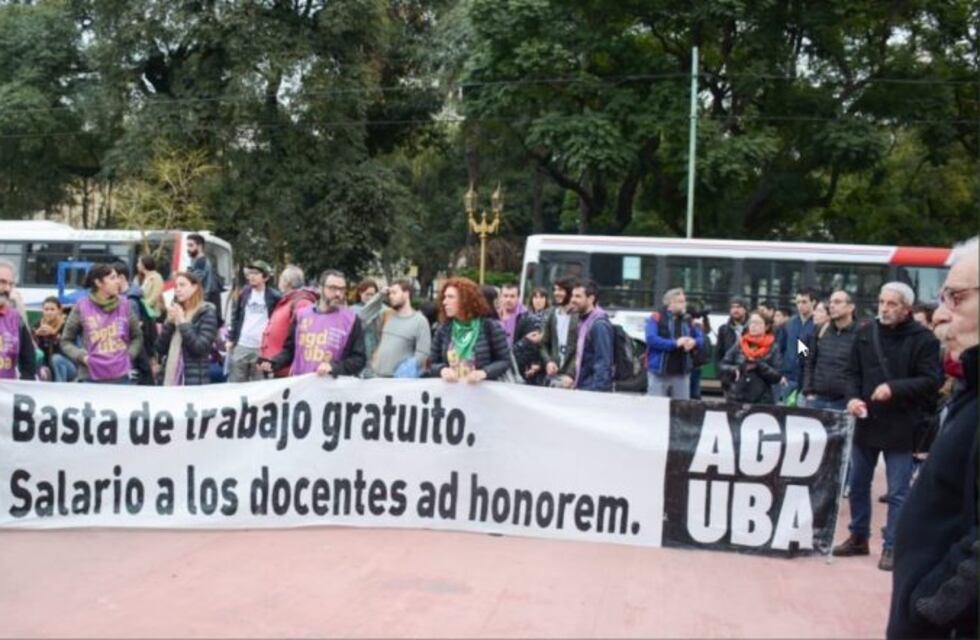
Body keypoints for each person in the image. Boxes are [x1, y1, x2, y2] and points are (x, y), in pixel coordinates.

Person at [888, 237, 978, 639]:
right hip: (858, 414)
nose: (940, 315)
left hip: (898, 423)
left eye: (955, 298)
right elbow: (811, 359)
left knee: (893, 486)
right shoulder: (821, 336)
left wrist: (929, 605)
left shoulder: (922, 343)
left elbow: (926, 381)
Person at [833, 282, 943, 571]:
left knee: (897, 492)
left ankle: (892, 546)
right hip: (866, 421)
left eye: (892, 304)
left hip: (902, 426)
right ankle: (858, 536)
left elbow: (932, 382)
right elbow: (850, 372)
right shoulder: (860, 332)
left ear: (907, 308)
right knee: (857, 484)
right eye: (882, 302)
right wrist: (852, 397)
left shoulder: (924, 339)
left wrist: (894, 388)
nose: (884, 308)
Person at [264, 270, 366, 378]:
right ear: (320, 288)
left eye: (342, 289)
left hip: (332, 388)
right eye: (332, 288)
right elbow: (290, 350)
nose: (338, 294)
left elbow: (359, 359)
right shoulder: (301, 315)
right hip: (301, 386)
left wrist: (334, 367)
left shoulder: (351, 320)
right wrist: (273, 363)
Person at [61, 263, 143, 384]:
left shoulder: (125, 305)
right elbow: (66, 341)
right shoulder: (81, 306)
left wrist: (128, 356)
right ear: (98, 283)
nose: (118, 282)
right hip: (90, 377)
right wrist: (83, 358)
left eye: (117, 277)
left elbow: (137, 336)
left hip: (121, 377)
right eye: (112, 278)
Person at [430, 277, 510, 383]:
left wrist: (484, 373)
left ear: (465, 300)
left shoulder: (490, 327)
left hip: (482, 394)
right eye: (444, 297)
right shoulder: (443, 329)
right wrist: (442, 370)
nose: (445, 302)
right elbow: (432, 363)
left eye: (450, 297)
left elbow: (504, 361)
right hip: (451, 394)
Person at [155, 271, 219, 386]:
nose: (178, 289)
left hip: (192, 382)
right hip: (169, 377)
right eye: (176, 286)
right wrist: (169, 323)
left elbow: (199, 348)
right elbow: (160, 348)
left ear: (194, 287)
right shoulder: (177, 310)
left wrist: (183, 322)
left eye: (182, 285)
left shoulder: (206, 313)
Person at [259, 265, 318, 378]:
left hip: (287, 371)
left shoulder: (301, 303)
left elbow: (301, 340)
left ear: (287, 282)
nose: (279, 281)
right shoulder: (289, 300)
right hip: (276, 367)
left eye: (281, 278)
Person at [227, 260, 282, 382]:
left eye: (256, 273)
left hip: (261, 347)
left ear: (265, 277)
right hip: (242, 344)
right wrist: (231, 339)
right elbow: (235, 317)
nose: (252, 276)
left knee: (259, 385)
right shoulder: (244, 293)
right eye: (250, 273)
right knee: (236, 382)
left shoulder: (274, 296)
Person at [801, 290, 856, 411]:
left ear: (851, 307)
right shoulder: (819, 331)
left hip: (844, 402)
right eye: (831, 302)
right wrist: (808, 391)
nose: (832, 305)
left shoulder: (860, 334)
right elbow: (808, 361)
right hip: (817, 399)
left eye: (837, 302)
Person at [645, 288, 703, 399]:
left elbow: (700, 338)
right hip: (659, 372)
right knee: (656, 409)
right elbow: (651, 339)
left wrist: (694, 342)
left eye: (684, 301)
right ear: (671, 303)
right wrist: (675, 343)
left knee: (681, 409)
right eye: (681, 302)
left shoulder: (688, 318)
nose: (684, 304)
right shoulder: (657, 317)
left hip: (682, 373)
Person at [371, 278, 431, 378]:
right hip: (377, 377)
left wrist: (407, 370)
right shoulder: (387, 315)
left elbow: (423, 353)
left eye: (394, 293)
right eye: (389, 294)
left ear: (406, 294)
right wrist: (380, 295)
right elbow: (364, 315)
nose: (390, 296)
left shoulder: (420, 321)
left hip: (399, 382)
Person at [719, 311, 783, 404]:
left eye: (757, 323)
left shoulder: (773, 347)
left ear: (767, 326)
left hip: (762, 400)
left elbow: (777, 376)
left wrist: (759, 366)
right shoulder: (740, 344)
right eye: (751, 322)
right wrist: (734, 369)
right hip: (737, 397)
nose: (753, 326)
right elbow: (723, 365)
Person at [113, 262, 157, 385]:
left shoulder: (130, 301)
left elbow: (132, 331)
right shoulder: (135, 295)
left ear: (121, 278)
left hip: (133, 356)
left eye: (112, 277)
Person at [568, 279, 614, 392]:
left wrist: (596, 393)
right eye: (573, 296)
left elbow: (603, 363)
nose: (572, 300)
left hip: (592, 390)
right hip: (584, 385)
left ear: (591, 299)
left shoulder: (599, 325)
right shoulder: (583, 321)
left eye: (578, 296)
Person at [0, 259, 37, 380]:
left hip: (6, 394)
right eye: (2, 282)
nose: (7, 289)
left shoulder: (16, 318)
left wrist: (24, 384)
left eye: (11, 284)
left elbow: (29, 360)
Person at [779, 288, 818, 401]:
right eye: (798, 302)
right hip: (788, 378)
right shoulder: (789, 324)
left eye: (804, 302)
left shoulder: (817, 324)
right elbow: (780, 349)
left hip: (808, 381)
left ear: (813, 302)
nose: (800, 305)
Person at [540, 277, 579, 386]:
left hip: (572, 378)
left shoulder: (579, 316)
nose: (556, 293)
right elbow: (543, 344)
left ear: (570, 292)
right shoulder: (551, 314)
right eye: (555, 289)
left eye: (561, 290)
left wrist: (571, 374)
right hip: (554, 376)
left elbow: (581, 350)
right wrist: (548, 361)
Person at [34, 296, 76, 382]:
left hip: (68, 366)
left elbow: (71, 349)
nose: (49, 312)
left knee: (56, 358)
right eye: (46, 309)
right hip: (46, 366)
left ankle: (59, 390)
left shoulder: (67, 325)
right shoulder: (37, 325)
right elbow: (30, 349)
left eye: (52, 309)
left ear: (59, 310)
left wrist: (54, 335)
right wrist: (36, 336)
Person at [186, 233, 223, 325]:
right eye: (187, 245)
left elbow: (193, 282)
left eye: (191, 245)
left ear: (200, 246)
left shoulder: (201, 262)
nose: (188, 249)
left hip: (205, 302)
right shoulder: (199, 261)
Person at [715, 297, 748, 398]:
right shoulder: (723, 329)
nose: (735, 310)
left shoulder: (752, 327)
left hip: (747, 376)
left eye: (738, 307)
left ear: (745, 310)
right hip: (729, 377)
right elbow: (719, 354)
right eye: (732, 307)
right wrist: (721, 374)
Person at [137, 254, 165, 318]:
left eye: (138, 263)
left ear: (144, 265)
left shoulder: (157, 277)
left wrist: (141, 304)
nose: (137, 265)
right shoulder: (143, 278)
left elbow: (154, 297)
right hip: (144, 314)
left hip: (152, 315)